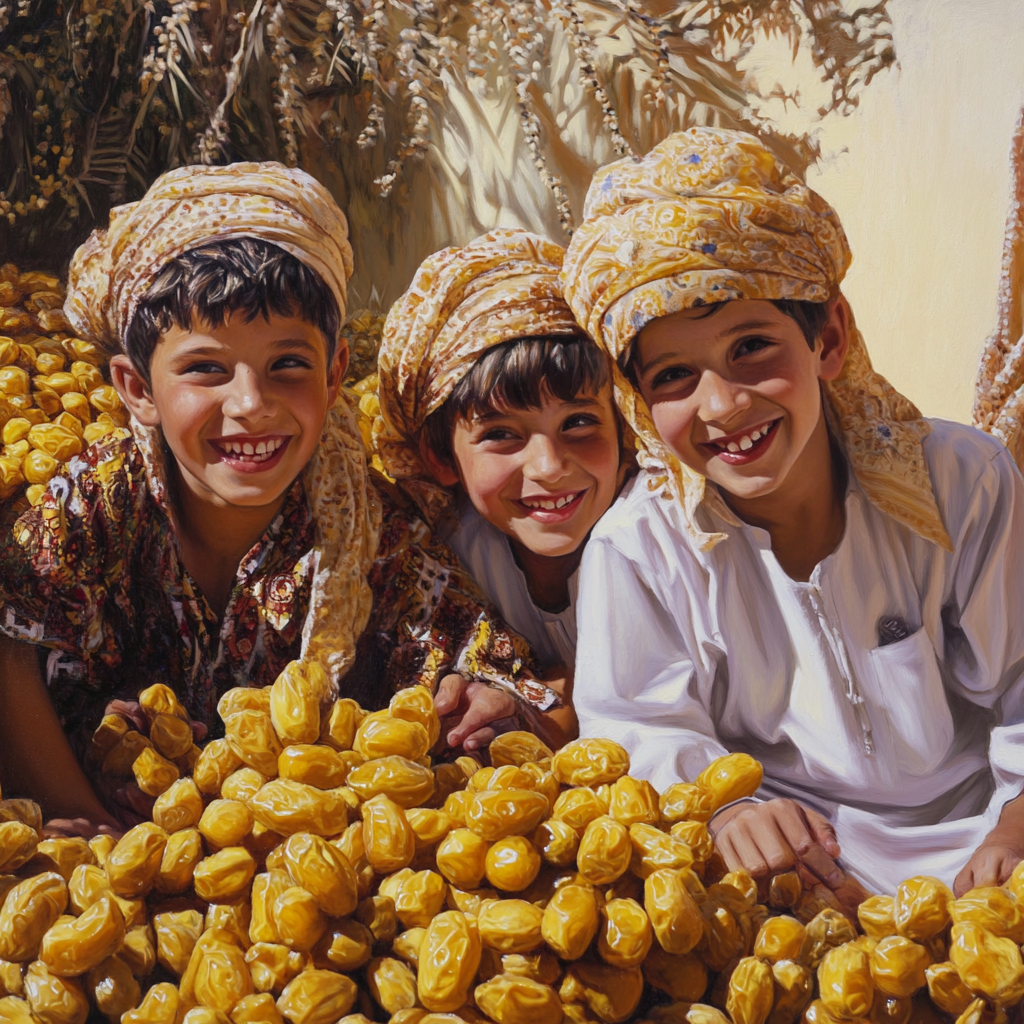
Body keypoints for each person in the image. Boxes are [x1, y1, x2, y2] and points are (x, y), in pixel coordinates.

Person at [0, 164, 563, 832]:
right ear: (136, 389)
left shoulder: (373, 536)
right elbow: (11, 648)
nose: (250, 405)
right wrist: (81, 817)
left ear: (334, 376)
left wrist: (496, 705)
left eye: (286, 365)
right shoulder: (90, 509)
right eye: (205, 368)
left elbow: (507, 677)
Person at [561, 127, 1024, 898]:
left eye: (751, 348)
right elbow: (636, 729)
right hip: (795, 871)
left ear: (829, 338)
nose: (722, 405)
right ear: (638, 403)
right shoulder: (639, 550)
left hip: (985, 836)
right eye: (674, 375)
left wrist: (1016, 824)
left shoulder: (961, 481)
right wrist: (727, 805)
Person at [374, 229, 625, 727]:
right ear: (440, 456)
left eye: (578, 422)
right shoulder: (450, 554)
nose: (549, 466)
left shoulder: (654, 539)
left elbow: (642, 691)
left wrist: (539, 702)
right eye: (502, 434)